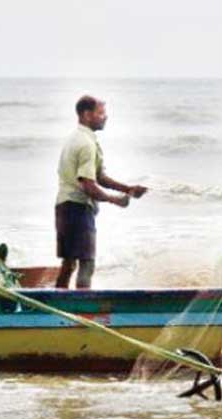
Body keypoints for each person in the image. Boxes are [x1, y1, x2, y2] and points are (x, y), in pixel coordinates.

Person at [55, 95, 147, 289]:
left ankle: (56, 307)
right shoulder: (86, 144)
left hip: (64, 206)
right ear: (87, 115)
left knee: (69, 263)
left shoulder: (78, 138)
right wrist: (115, 200)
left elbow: (99, 177)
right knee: (87, 263)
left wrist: (127, 189)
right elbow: (88, 185)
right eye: (101, 113)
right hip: (77, 208)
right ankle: (82, 309)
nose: (105, 117)